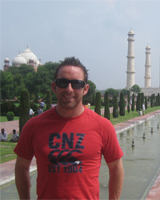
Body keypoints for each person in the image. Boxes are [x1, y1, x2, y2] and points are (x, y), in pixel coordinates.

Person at [14, 57, 124, 200]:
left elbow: (116, 169)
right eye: (63, 83)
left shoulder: (102, 126)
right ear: (54, 87)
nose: (69, 89)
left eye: (76, 84)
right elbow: (21, 167)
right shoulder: (34, 126)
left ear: (85, 89)